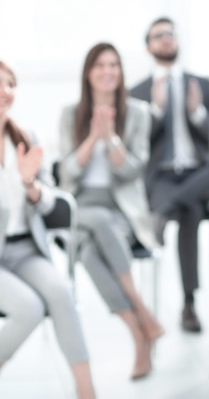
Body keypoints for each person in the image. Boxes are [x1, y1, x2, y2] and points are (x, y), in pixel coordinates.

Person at [58, 43, 164, 380]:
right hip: (81, 205)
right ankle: (142, 317)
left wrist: (112, 140)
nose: (108, 71)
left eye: (114, 65)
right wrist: (93, 138)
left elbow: (133, 170)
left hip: (120, 209)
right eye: (100, 65)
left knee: (89, 253)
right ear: (88, 73)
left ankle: (138, 332)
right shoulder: (69, 114)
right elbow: (66, 174)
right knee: (93, 224)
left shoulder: (137, 113)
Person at [0, 61, 96, 398]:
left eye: (10, 84)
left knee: (61, 295)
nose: (4, 92)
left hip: (26, 248)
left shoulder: (26, 139)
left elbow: (49, 202)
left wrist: (31, 187)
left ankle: (87, 392)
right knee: (28, 308)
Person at [129, 17, 209, 333]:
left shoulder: (201, 85)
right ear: (149, 46)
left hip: (200, 172)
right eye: (159, 35)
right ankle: (189, 304)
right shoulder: (138, 92)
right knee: (191, 210)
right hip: (163, 176)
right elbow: (136, 144)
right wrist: (154, 110)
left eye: (171, 34)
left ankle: (159, 217)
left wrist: (197, 113)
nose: (167, 39)